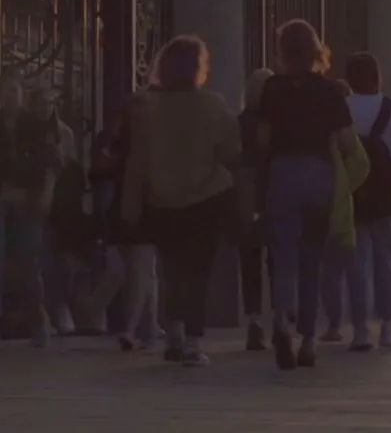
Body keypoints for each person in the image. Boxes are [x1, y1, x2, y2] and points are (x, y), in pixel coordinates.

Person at [121, 35, 241, 367]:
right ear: (198, 69)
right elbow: (232, 150)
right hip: (205, 197)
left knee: (171, 269)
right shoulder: (212, 105)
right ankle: (192, 341)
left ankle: (172, 335)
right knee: (198, 272)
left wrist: (130, 204)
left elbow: (136, 161)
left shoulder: (145, 107)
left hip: (160, 199)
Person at [258, 20, 367, 369]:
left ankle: (280, 322)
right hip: (319, 173)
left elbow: (262, 138)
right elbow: (349, 144)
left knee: (284, 255)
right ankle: (307, 339)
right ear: (316, 50)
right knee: (311, 258)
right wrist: (343, 183)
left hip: (283, 172)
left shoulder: (272, 88)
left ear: (283, 51)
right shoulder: (331, 92)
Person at [88, 102, 160, 351]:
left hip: (131, 213)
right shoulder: (129, 146)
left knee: (141, 272)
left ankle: (141, 328)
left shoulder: (128, 146)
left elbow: (99, 173)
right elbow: (98, 173)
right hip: (137, 214)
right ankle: (140, 328)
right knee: (141, 272)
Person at [344, 52, 391, 351]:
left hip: (352, 194)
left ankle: (361, 330)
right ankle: (389, 326)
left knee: (357, 264)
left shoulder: (342, 109)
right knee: (387, 263)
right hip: (387, 197)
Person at [0, 71, 62, 346]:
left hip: (27, 200)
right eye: (6, 90)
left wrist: (44, 192)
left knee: (28, 262)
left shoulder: (34, 126)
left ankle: (39, 322)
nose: (11, 95)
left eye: (15, 90)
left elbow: (50, 162)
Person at [29, 87, 82, 337]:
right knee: (41, 260)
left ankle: (60, 308)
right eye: (39, 102)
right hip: (34, 202)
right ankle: (46, 313)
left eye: (47, 102)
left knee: (62, 261)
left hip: (62, 209)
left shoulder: (64, 133)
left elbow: (71, 169)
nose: (43, 107)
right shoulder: (26, 131)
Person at [238, 68, 273, 351]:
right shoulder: (278, 122)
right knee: (277, 259)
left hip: (246, 197)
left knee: (249, 261)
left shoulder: (239, 122)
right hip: (273, 193)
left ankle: (254, 320)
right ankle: (281, 316)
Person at [320, 79, 353, 343]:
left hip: (329, 204)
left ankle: (334, 324)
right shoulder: (344, 133)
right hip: (345, 203)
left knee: (330, 268)